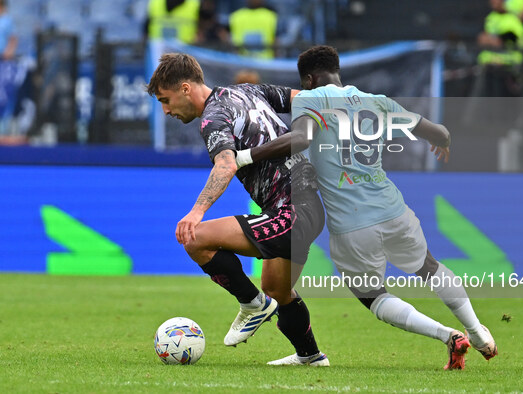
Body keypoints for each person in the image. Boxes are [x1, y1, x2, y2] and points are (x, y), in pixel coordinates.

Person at [236, 46, 498, 370]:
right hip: (393, 209)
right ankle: (478, 333)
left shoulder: (310, 99)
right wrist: (442, 141)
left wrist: (247, 156)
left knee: (373, 296)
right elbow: (440, 132)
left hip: (351, 224)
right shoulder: (378, 101)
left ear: (308, 78)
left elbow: (301, 139)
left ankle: (447, 336)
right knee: (430, 268)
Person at [146, 53, 329, 366]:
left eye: (166, 99)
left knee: (195, 238)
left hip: (292, 212)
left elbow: (227, 163)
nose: (165, 110)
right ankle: (310, 356)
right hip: (299, 207)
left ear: (186, 88)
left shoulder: (213, 118)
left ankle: (252, 304)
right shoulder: (247, 91)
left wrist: (196, 211)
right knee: (278, 288)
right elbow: (306, 99)